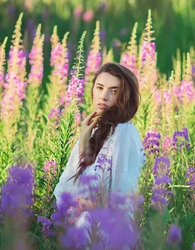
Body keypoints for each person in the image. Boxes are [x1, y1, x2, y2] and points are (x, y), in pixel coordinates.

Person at [53, 62, 146, 236]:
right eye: (99, 87)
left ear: (125, 97)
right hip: (82, 234)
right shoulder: (94, 130)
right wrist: (83, 142)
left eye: (113, 91)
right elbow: (66, 189)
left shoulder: (124, 133)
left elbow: (122, 202)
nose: (103, 96)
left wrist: (90, 205)